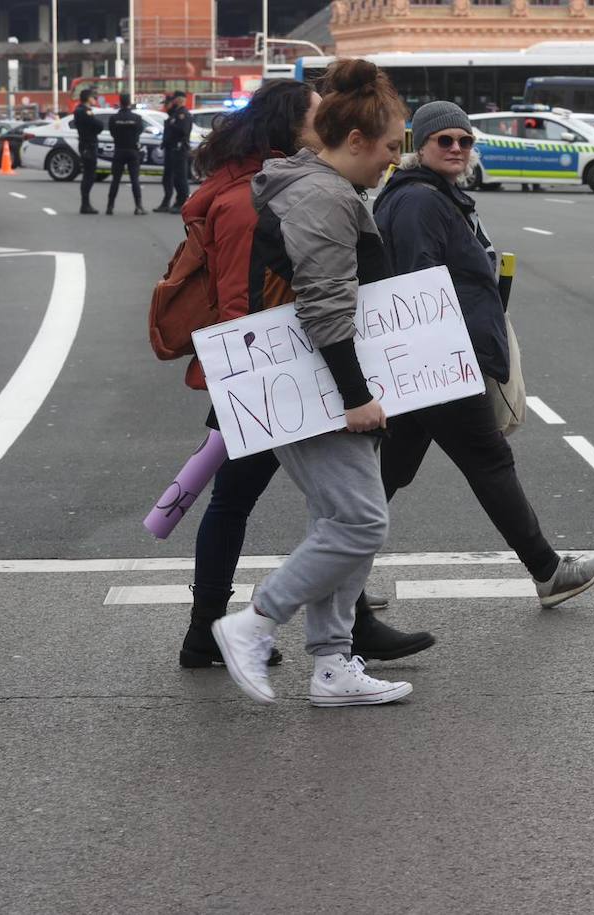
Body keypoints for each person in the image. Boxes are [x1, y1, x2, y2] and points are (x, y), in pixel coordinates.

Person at [175, 78, 432, 671]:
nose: (398, 156)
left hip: (282, 370)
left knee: (316, 510)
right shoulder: (295, 194)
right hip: (286, 374)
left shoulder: (283, 185)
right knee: (342, 515)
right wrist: (342, 389)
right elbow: (272, 296)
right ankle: (238, 629)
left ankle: (331, 648)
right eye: (319, 114)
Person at [370, 101, 594, 613]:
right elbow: (417, 287)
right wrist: (452, 352)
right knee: (489, 461)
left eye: (464, 140)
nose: (457, 149)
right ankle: (548, 572)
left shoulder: (436, 195)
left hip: (432, 359)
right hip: (437, 360)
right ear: (421, 144)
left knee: (387, 473)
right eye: (445, 141)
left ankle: (328, 576)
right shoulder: (420, 201)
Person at [105, 93, 147, 215]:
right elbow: (139, 132)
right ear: (129, 102)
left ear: (120, 102)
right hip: (133, 150)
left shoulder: (114, 118)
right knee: (135, 180)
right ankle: (138, 206)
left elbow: (112, 133)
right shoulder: (136, 118)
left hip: (119, 150)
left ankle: (110, 206)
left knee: (115, 180)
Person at [155, 91, 192, 213]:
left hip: (179, 149)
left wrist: (172, 124)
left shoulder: (183, 114)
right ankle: (170, 202)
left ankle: (182, 202)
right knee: (171, 178)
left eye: (170, 102)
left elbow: (183, 131)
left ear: (179, 100)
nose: (166, 106)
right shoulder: (174, 114)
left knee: (180, 178)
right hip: (171, 149)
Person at [73, 88, 102, 215]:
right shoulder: (84, 111)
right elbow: (98, 125)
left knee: (89, 175)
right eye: (93, 97)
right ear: (88, 98)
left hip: (87, 143)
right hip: (88, 145)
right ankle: (85, 204)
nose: (94, 99)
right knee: (89, 175)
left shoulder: (81, 110)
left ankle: (86, 203)